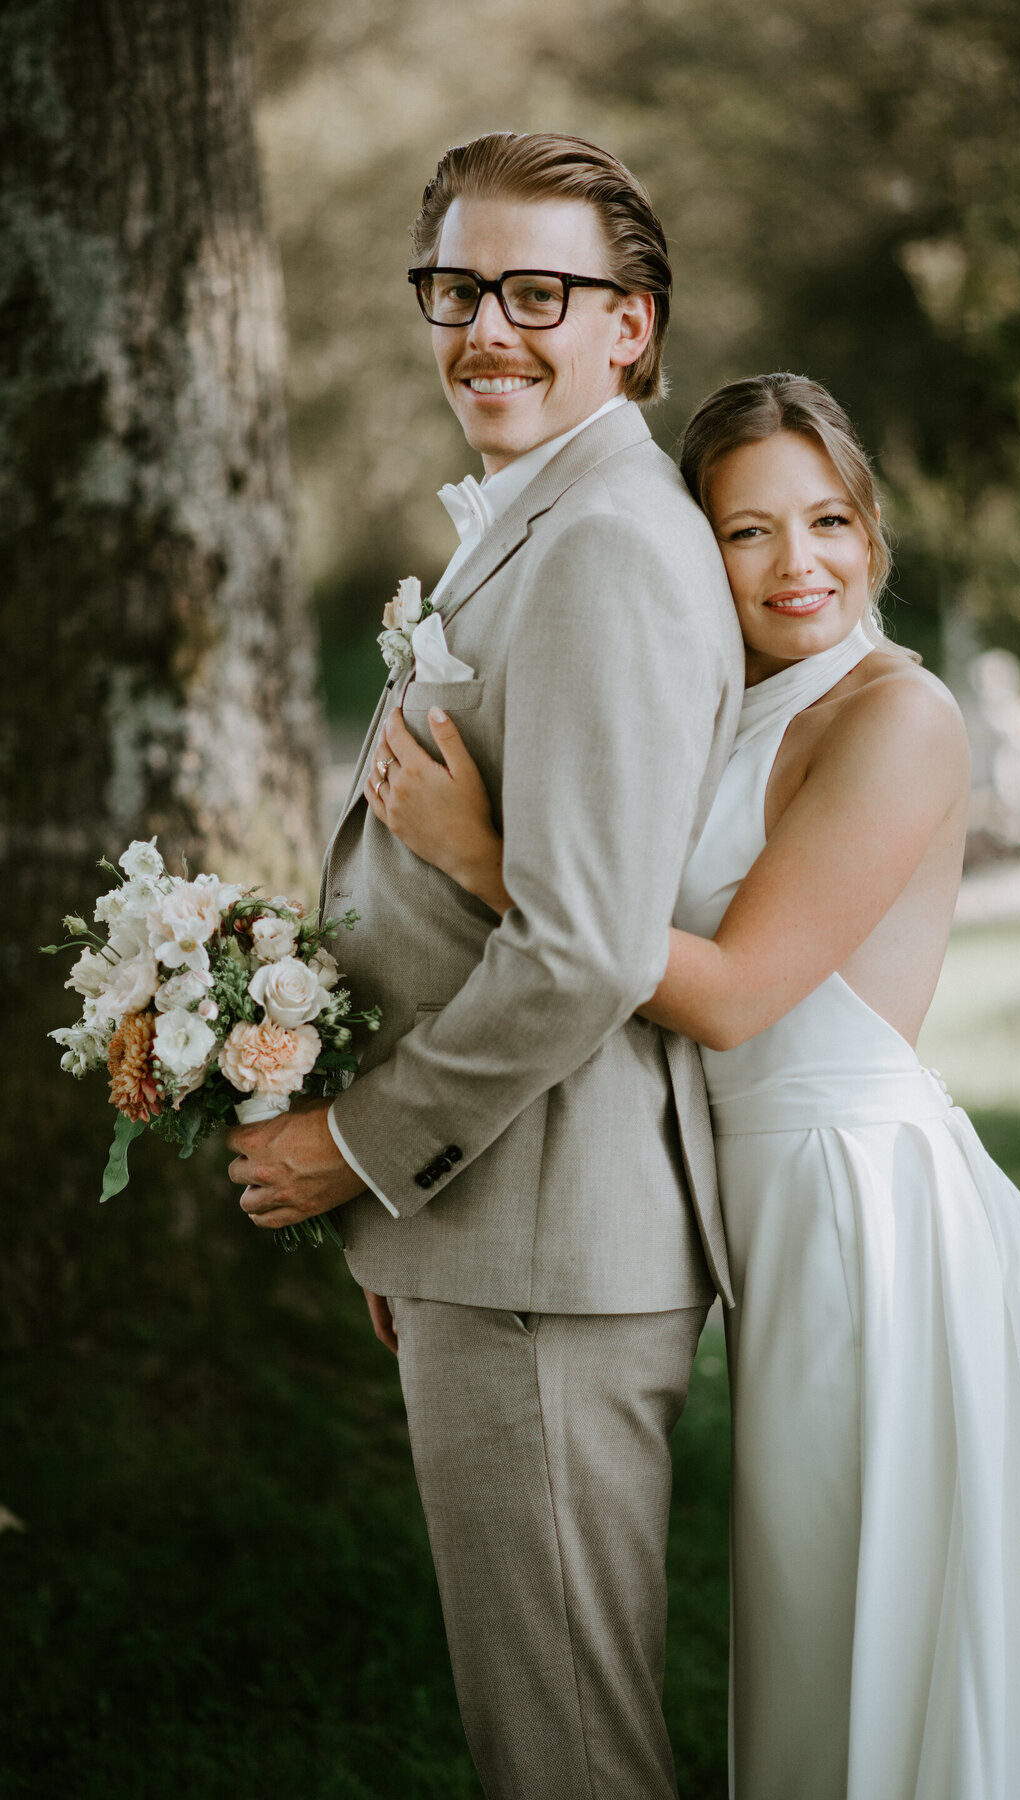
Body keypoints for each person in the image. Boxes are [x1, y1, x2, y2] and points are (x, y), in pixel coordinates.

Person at [376, 371, 1020, 1799]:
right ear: (698, 554)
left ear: (873, 534)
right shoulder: (724, 708)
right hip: (760, 1209)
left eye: (827, 520)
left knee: (911, 1608)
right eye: (747, 534)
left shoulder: (900, 715)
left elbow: (742, 994)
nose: (796, 563)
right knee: (831, 1613)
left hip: (865, 1217)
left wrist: (489, 860)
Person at [226, 133, 744, 1800]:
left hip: (545, 1243)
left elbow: (586, 947)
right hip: (493, 1230)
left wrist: (357, 1145)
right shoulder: (538, 520)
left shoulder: (605, 543)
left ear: (632, 329)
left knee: (568, 1757)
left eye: (540, 291)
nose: (484, 329)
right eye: (454, 288)